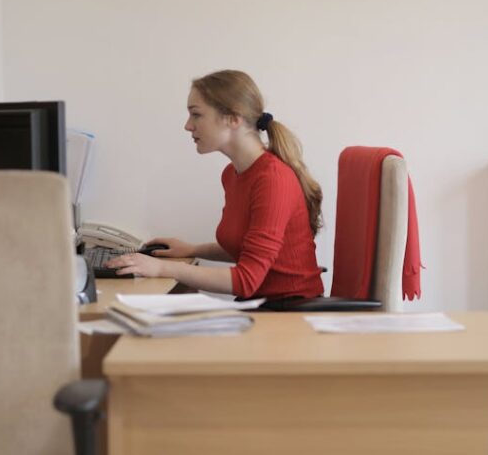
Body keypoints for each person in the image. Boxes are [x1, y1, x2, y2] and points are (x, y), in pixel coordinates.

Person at [104, 70, 324, 300]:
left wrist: (161, 268)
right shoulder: (232, 174)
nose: (188, 126)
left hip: (289, 313)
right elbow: (248, 248)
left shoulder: (273, 179)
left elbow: (246, 280)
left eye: (196, 115)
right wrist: (192, 250)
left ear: (233, 118)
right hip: (261, 306)